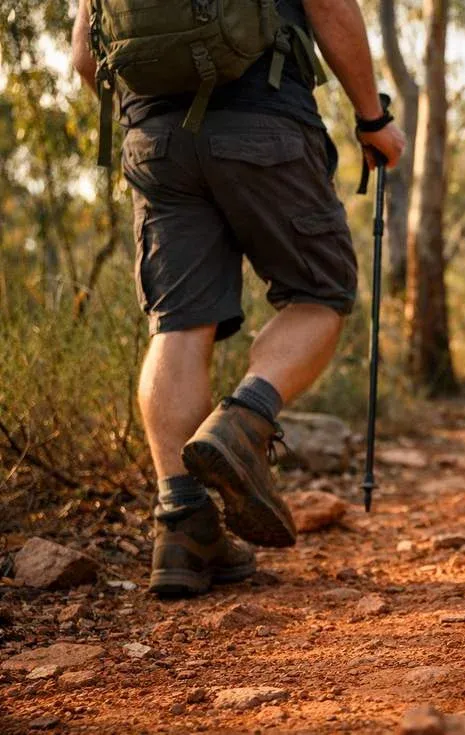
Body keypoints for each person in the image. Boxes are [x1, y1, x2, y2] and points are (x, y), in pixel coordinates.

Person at [70, 0, 406, 597]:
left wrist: (156, 107)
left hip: (154, 138)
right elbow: (329, 6)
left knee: (178, 324)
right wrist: (371, 117)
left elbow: (83, 57)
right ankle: (244, 420)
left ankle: (182, 526)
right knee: (320, 295)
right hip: (263, 118)